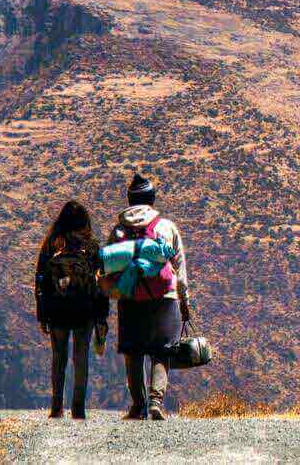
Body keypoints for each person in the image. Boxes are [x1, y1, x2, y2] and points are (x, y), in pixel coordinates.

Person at [106, 172, 191, 421]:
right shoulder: (166, 227)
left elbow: (108, 267)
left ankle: (137, 406)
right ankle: (156, 403)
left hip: (130, 297)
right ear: (152, 198)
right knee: (162, 351)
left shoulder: (119, 232)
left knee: (133, 352)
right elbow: (181, 273)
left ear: (130, 199)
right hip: (165, 297)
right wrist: (184, 303)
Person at [35, 200, 109, 420]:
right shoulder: (92, 246)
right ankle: (78, 408)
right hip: (84, 310)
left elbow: (40, 281)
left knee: (58, 356)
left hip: (57, 309)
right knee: (81, 356)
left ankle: (56, 407)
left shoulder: (51, 244)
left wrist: (42, 314)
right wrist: (101, 316)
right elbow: (101, 283)